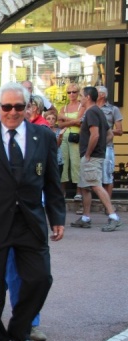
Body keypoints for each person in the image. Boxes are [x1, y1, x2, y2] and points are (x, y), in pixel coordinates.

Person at [0, 82, 65, 341]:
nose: (12, 112)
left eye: (19, 106)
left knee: (40, 279)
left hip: (30, 221)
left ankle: (20, 330)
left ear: (28, 107)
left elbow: (52, 180)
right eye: (7, 106)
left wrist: (57, 217)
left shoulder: (43, 136)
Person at [70, 86, 122, 232]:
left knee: (95, 185)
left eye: (81, 95)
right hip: (94, 155)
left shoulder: (92, 112)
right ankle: (86, 217)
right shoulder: (97, 111)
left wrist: (88, 153)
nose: (79, 98)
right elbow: (110, 133)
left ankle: (113, 217)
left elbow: (96, 134)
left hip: (91, 156)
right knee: (85, 187)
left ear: (87, 97)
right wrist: (100, 147)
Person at [58, 83, 84, 199]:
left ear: (78, 93)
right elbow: (60, 124)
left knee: (76, 163)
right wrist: (74, 120)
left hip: (76, 136)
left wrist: (66, 119)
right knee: (64, 163)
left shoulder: (81, 106)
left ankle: (78, 191)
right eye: (69, 92)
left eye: (74, 92)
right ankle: (62, 191)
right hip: (64, 136)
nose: (71, 94)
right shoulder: (63, 107)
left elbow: (80, 122)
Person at [96, 86, 123, 198]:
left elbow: (119, 130)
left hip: (107, 147)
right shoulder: (90, 108)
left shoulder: (113, 109)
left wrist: (105, 131)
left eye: (96, 92)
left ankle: (107, 205)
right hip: (91, 147)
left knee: (107, 176)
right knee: (89, 176)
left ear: (102, 95)